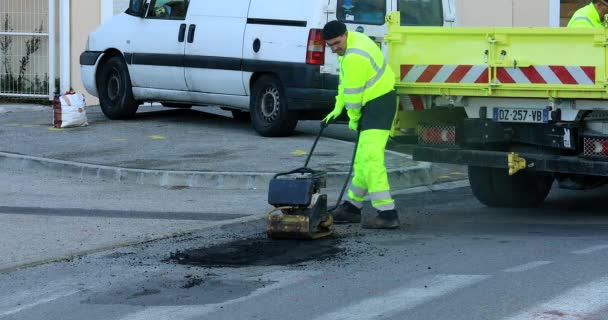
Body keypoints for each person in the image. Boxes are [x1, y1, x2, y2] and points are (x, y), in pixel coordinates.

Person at [322, 20, 399, 229]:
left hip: (378, 105)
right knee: (362, 161)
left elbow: (354, 98)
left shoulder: (354, 55)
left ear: (345, 35)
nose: (335, 48)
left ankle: (387, 213)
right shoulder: (350, 46)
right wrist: (337, 108)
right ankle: (352, 208)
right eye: (331, 45)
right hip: (374, 103)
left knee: (372, 161)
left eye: (337, 43)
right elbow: (345, 84)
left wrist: (354, 120)